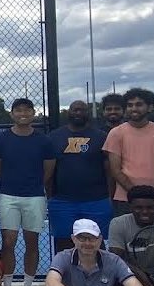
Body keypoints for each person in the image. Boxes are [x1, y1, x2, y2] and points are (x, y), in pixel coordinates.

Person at [0, 97, 55, 286]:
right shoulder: (1, 140)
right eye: (18, 110)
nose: (22, 114)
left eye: (27, 110)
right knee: (8, 242)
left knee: (32, 242)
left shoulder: (43, 141)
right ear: (12, 114)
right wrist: (12, 185)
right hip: (8, 196)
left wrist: (34, 186)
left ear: (33, 113)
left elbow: (48, 169)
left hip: (35, 196)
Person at [47, 100, 112, 252]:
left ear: (87, 113)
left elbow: (109, 170)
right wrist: (50, 196)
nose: (78, 113)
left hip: (97, 200)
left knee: (96, 242)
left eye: (82, 110)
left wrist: (109, 196)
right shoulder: (54, 137)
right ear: (68, 112)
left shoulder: (101, 136)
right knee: (64, 243)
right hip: (63, 201)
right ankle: (63, 275)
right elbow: (49, 169)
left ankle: (98, 275)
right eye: (74, 110)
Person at [103, 88, 154, 217]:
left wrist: (153, 196)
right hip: (125, 200)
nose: (134, 108)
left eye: (139, 105)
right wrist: (136, 195)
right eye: (130, 105)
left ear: (150, 107)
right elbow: (115, 170)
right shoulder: (115, 133)